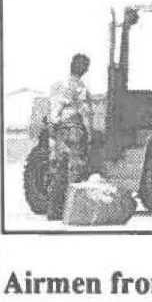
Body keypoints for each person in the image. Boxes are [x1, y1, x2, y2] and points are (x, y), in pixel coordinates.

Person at [46, 53, 94, 220]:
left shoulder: (59, 85)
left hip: (60, 130)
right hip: (74, 128)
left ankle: (53, 212)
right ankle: (72, 213)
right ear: (83, 69)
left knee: (58, 170)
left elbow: (54, 110)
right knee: (75, 171)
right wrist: (89, 134)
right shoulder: (80, 87)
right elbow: (85, 112)